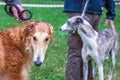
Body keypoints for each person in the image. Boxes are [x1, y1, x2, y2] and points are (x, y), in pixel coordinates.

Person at [63, 0, 116, 80]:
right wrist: (110, 12)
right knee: (80, 51)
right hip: (87, 7)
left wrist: (110, 12)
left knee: (89, 50)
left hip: (92, 8)